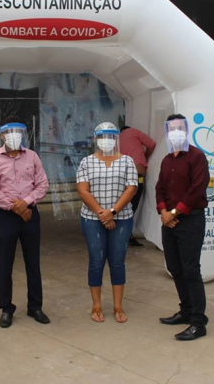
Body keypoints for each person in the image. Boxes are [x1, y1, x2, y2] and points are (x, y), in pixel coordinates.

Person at [0, 117, 50, 329]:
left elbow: (42, 185)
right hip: (6, 216)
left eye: (18, 131)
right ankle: (6, 308)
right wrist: (16, 207)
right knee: (5, 263)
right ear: (2, 135)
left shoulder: (32, 156)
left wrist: (25, 203)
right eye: (9, 132)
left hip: (30, 213)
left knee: (33, 262)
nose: (14, 135)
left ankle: (35, 306)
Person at [156, 114, 210, 341]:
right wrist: (163, 212)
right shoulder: (167, 159)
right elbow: (159, 188)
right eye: (172, 128)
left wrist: (174, 213)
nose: (176, 131)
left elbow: (197, 189)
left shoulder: (197, 157)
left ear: (187, 130)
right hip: (169, 221)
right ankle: (186, 311)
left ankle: (199, 322)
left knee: (191, 271)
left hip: (190, 220)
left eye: (180, 127)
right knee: (175, 269)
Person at [77, 122, 138, 323]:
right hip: (92, 219)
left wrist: (112, 212)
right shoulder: (86, 162)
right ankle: (96, 306)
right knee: (96, 261)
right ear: (96, 139)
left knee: (117, 261)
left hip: (121, 218)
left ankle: (118, 306)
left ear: (116, 139)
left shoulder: (127, 161)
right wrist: (102, 214)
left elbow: (131, 188)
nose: (107, 140)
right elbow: (83, 190)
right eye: (103, 136)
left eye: (111, 136)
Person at [119, 125, 156, 247]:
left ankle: (120, 234)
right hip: (137, 175)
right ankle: (127, 236)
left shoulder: (117, 139)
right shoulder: (133, 131)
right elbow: (151, 144)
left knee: (124, 205)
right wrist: (145, 157)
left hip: (122, 178)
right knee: (132, 207)